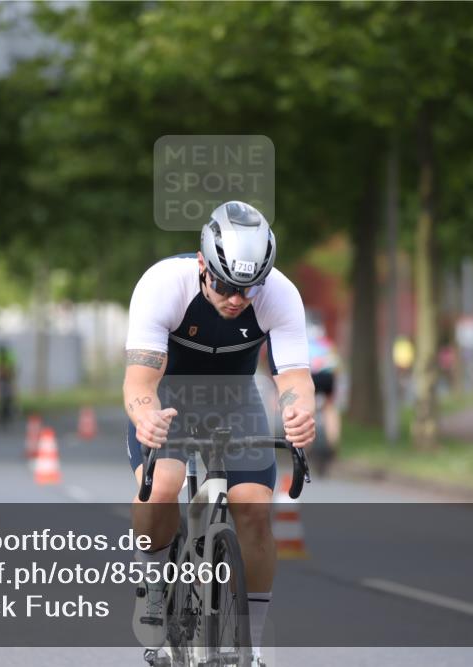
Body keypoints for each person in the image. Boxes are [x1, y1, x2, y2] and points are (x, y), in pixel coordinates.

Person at [124, 201, 315, 664]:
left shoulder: (280, 294)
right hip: (169, 395)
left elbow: (294, 379)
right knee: (162, 487)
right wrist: (146, 416)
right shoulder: (163, 285)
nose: (237, 298)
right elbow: (140, 383)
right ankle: (153, 589)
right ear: (202, 264)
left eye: (250, 288)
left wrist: (299, 414)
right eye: (226, 285)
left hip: (234, 398)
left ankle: (252, 646)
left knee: (253, 508)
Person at [306, 314, 342, 467]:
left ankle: (306, 447)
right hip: (327, 375)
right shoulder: (327, 343)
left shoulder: (302, 340)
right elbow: (336, 366)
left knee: (307, 407)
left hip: (310, 374)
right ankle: (333, 444)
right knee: (329, 408)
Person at [0, 342, 17, 427]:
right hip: (0, 378)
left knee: (10, 393)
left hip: (8, 378)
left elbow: (12, 370)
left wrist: (9, 374)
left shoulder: (10, 357)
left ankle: (11, 409)